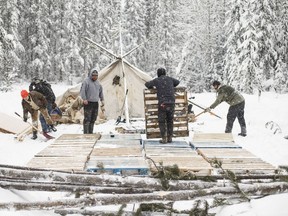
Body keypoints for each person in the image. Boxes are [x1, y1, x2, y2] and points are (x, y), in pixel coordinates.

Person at [145, 67, 180, 143]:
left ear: (158, 74)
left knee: (161, 121)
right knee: (170, 121)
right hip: (171, 102)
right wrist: (170, 85)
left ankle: (164, 138)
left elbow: (147, 84)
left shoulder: (157, 80)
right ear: (165, 73)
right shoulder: (170, 79)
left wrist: (153, 87)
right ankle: (170, 138)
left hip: (163, 104)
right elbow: (177, 82)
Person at [80, 68, 104, 134]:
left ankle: (90, 132)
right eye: (93, 75)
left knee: (93, 119)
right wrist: (84, 99)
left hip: (95, 103)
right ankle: (86, 133)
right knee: (87, 119)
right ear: (91, 75)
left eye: (96, 75)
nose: (95, 77)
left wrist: (102, 100)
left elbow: (101, 92)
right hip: (88, 103)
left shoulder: (98, 83)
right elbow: (82, 91)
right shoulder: (86, 81)